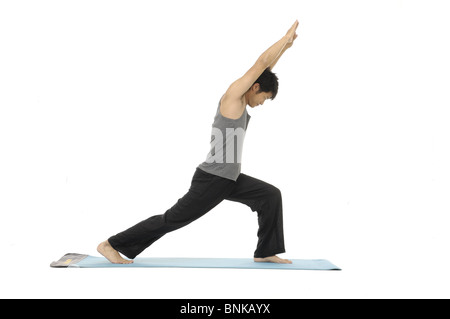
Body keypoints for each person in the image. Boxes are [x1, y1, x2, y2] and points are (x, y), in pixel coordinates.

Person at [98, 20, 299, 264]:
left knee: (270, 196)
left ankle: (265, 251)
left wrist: (286, 49)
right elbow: (261, 64)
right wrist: (283, 38)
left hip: (229, 179)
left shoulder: (245, 100)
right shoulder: (233, 98)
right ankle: (111, 244)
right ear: (254, 87)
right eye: (264, 98)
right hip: (213, 179)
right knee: (172, 219)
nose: (262, 104)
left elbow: (264, 72)